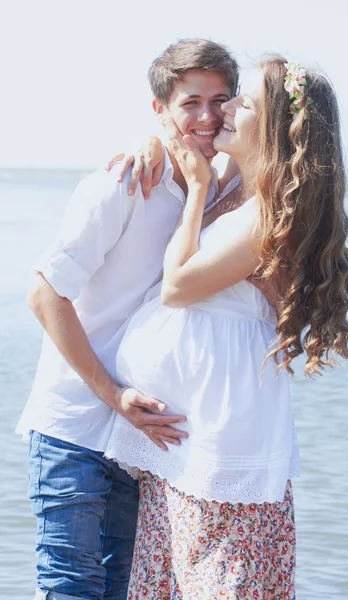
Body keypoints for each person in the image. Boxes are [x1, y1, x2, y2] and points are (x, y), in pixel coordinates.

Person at [104, 56, 348, 599]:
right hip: (182, 431)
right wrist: (152, 142)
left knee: (223, 578)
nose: (224, 108)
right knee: (168, 578)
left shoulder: (268, 215)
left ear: (272, 131)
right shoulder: (234, 183)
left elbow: (178, 288)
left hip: (221, 436)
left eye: (242, 103)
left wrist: (196, 191)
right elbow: (172, 125)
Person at [15, 38, 241, 600]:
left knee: (124, 588)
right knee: (72, 585)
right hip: (76, 427)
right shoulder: (123, 183)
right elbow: (44, 296)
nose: (208, 116)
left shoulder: (223, 189)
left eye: (221, 100)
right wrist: (112, 393)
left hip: (148, 438)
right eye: (191, 102)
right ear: (159, 109)